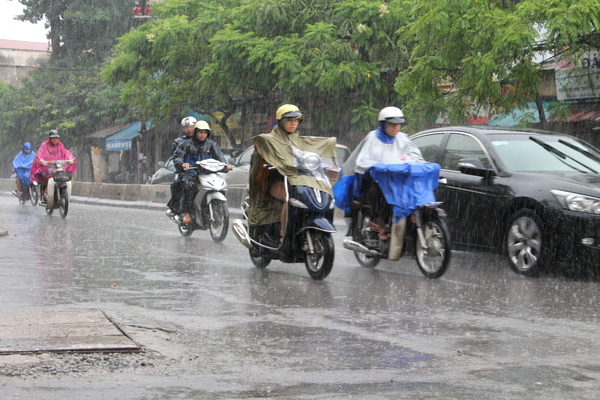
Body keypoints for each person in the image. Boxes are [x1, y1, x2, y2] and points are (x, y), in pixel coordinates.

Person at [248, 104, 338, 242]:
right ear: (280, 121)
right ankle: (283, 233)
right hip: (277, 182)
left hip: (300, 183)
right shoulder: (270, 141)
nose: (293, 123)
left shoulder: (302, 142)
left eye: (296, 120)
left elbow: (315, 154)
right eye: (289, 120)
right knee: (288, 198)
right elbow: (261, 154)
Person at [335, 106, 425, 241]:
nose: (395, 128)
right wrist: (377, 166)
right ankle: (381, 227)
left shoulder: (403, 139)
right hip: (374, 179)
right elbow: (362, 160)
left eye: (398, 124)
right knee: (377, 191)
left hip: (396, 179)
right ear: (383, 124)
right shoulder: (372, 138)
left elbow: (415, 156)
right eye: (392, 124)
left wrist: (419, 165)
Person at [173, 120, 231, 223]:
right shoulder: (185, 144)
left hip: (208, 174)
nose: (202, 135)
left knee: (220, 186)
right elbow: (177, 156)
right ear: (196, 132)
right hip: (191, 173)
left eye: (205, 132)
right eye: (200, 132)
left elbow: (220, 158)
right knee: (189, 186)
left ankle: (216, 208)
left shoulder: (212, 145)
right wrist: (182, 163)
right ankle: (187, 212)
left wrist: (225, 166)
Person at [30, 130, 77, 204]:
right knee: (47, 177)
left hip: (58, 166)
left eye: (56, 138)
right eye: (53, 138)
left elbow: (65, 153)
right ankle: (46, 193)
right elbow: (40, 154)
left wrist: (71, 159)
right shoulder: (44, 145)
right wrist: (42, 160)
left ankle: (63, 194)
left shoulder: (60, 145)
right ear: (50, 138)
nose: (55, 140)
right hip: (48, 166)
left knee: (64, 176)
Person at [166, 116, 197, 218]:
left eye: (191, 126)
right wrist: (182, 165)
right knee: (180, 184)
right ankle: (177, 208)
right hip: (184, 172)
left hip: (200, 171)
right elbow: (175, 157)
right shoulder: (178, 142)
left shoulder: (204, 140)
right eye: (186, 127)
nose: (189, 129)